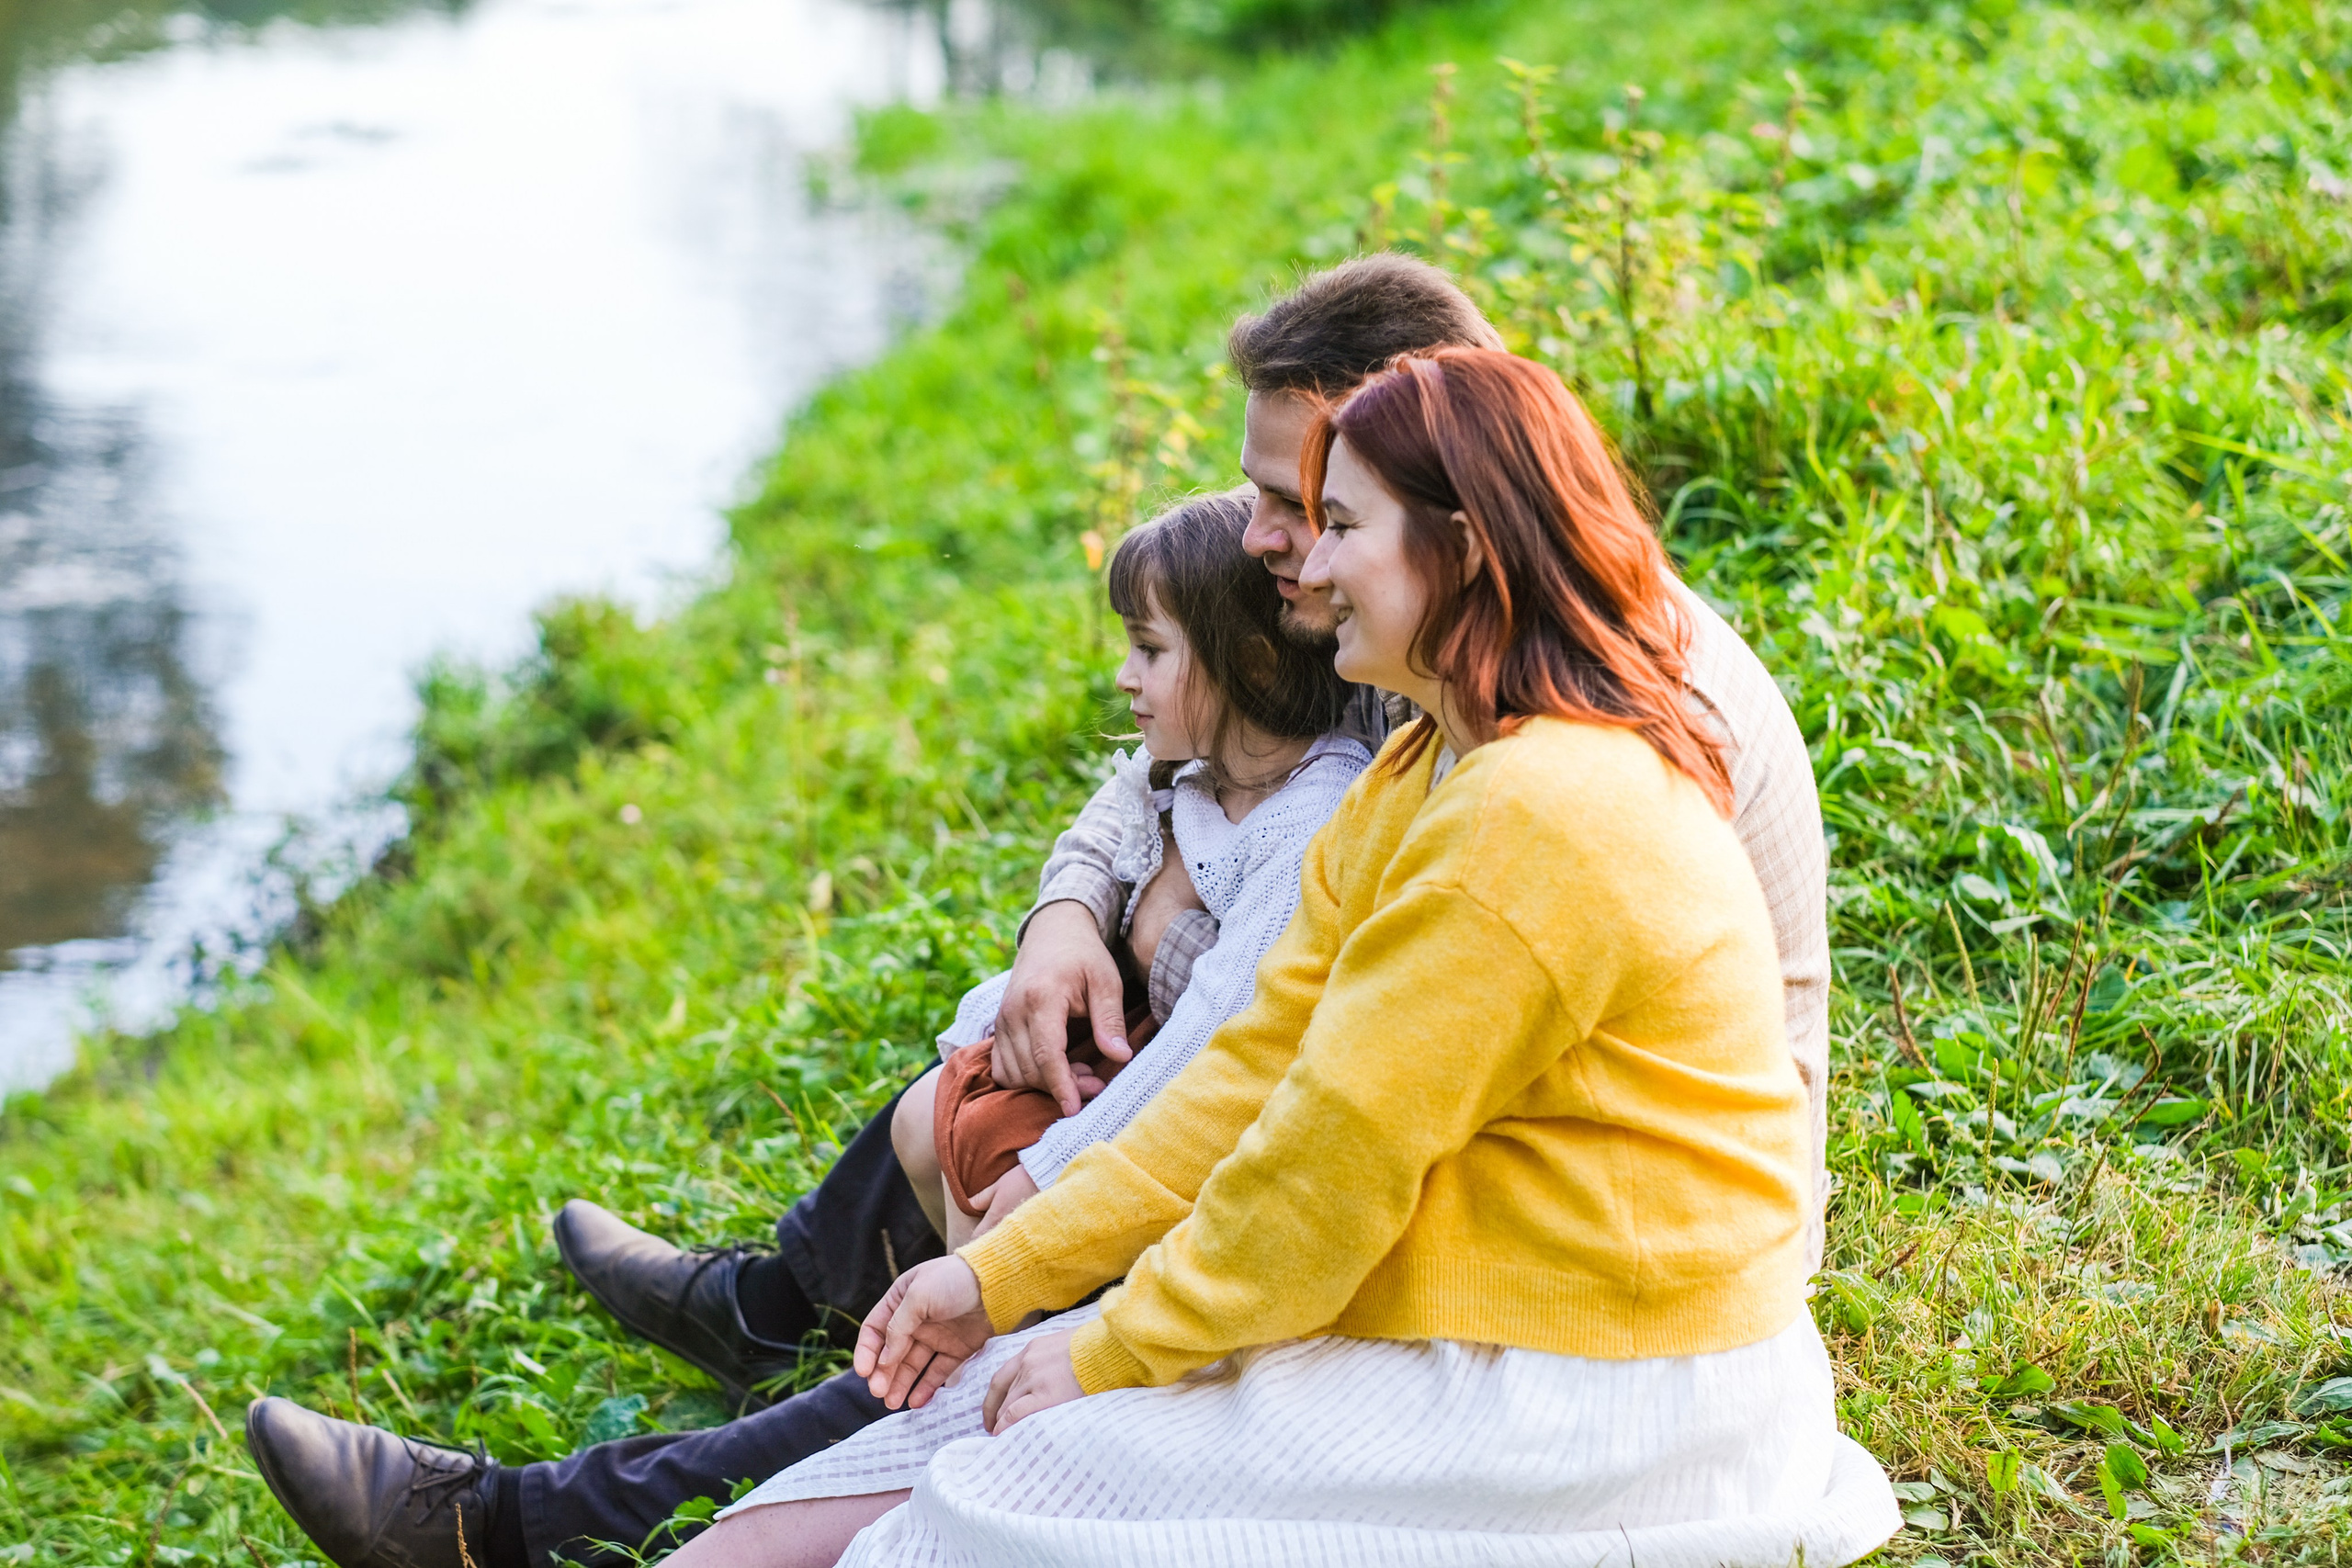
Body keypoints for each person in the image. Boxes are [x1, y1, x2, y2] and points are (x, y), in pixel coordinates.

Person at [239, 254, 1828, 1568]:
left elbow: (1322, 1149)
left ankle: (554, 1501)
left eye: (1318, 513)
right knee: (994, 1308)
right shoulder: (1444, 725)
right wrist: (1060, 946)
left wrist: (1088, 1319)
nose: (1281, 550)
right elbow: (1246, 1037)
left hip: (1573, 1312)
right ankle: (746, 1333)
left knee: (1004, 1459)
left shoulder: (1547, 784)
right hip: (1462, 1207)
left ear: (1455, 514)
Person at [668, 347, 1896, 1567]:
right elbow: (1253, 1071)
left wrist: (1110, 1345)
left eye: (1341, 525)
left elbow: (1326, 1169)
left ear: (1461, 547)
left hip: (1609, 1383)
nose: (1304, 566)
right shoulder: (1430, 766)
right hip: (1483, 1319)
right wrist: (998, 1277)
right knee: (870, 1472)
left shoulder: (1536, 812)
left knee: (976, 1511)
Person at [240, 491, 1371, 1568]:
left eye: (1150, 652)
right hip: (1129, 1127)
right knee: (942, 1115)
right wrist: (1055, 928)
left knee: (937, 1374)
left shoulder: (1349, 766)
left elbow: (1215, 1061)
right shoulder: (1259, 694)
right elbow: (1138, 792)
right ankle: (767, 1310)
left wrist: (1056, 1187)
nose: (1290, 537)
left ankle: (517, 1524)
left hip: (1203, 1192)